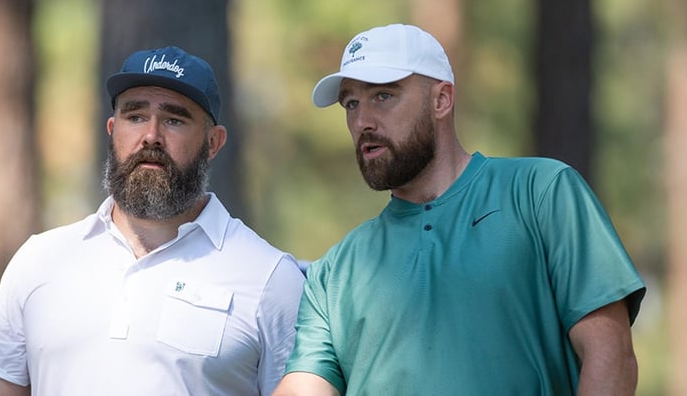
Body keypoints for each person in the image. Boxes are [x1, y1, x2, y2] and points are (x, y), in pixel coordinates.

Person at [272, 24, 646, 396]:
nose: (362, 121)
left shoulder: (542, 192)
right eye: (351, 103)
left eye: (383, 96)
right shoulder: (334, 272)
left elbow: (611, 356)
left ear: (441, 100)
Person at [0, 46, 305, 395]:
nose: (151, 136)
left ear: (213, 142)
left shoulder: (270, 278)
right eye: (135, 116)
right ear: (112, 129)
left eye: (175, 120)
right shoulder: (39, 261)